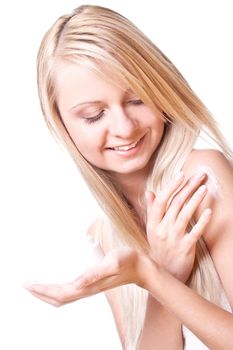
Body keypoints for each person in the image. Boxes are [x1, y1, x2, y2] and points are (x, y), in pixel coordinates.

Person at [24, 4, 233, 349]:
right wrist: (162, 276)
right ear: (62, 125)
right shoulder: (105, 233)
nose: (124, 128)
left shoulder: (201, 181)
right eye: (94, 115)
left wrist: (153, 275)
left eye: (137, 99)